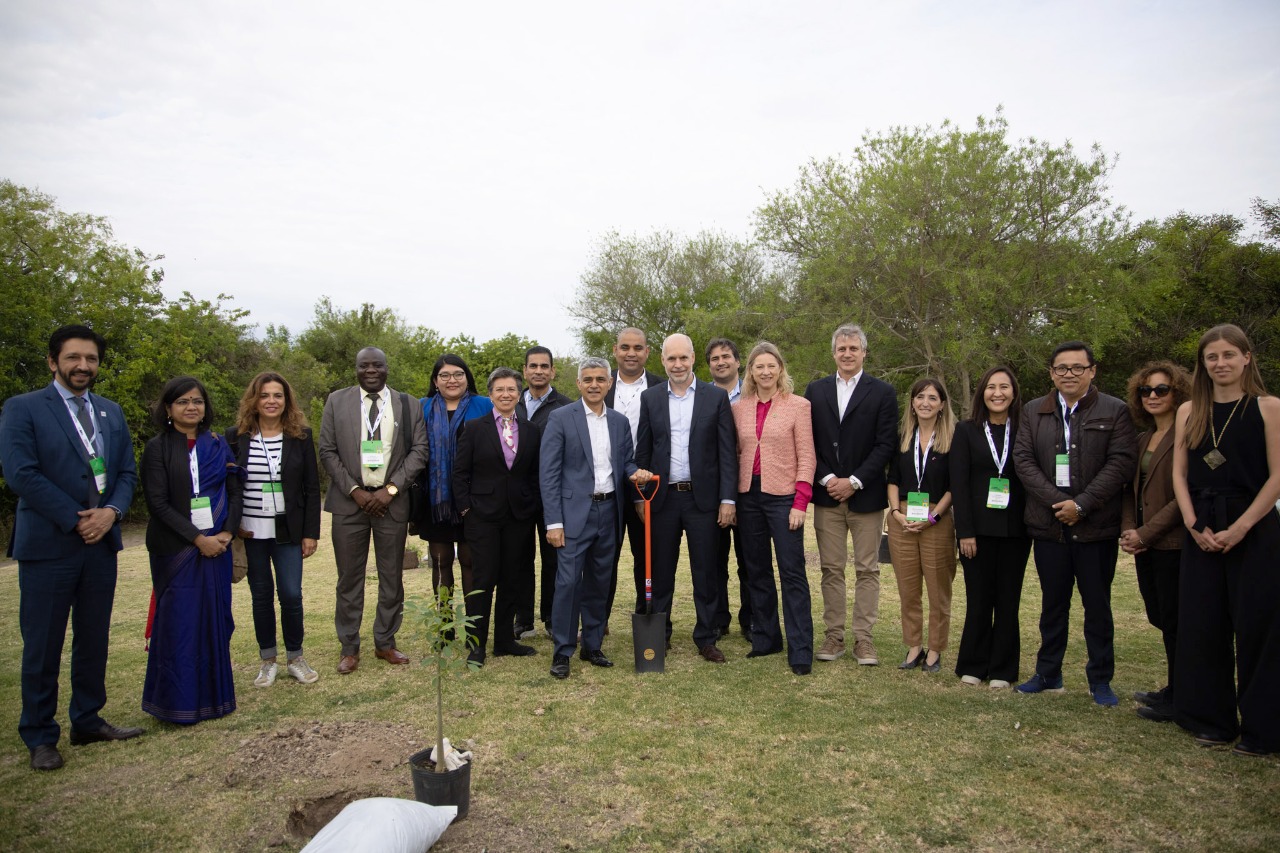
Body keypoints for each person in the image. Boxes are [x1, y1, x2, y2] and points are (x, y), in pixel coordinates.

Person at [0, 325, 142, 771]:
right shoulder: (23, 408)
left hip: (101, 544)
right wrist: (76, 518)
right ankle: (40, 735)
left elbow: (125, 474)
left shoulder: (110, 412)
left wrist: (111, 514)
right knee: (42, 644)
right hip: (49, 544)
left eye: (91, 359)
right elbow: (21, 473)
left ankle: (87, 719)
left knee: (93, 637)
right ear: (52, 361)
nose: (83, 366)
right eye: (73, 358)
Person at [1171, 324, 1280, 756]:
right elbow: (1179, 475)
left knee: (1259, 626)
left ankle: (1263, 727)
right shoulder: (1187, 412)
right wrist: (1195, 525)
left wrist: (1242, 526)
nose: (1220, 364)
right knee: (1204, 625)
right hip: (1201, 525)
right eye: (1212, 357)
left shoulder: (1269, 408)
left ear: (1246, 358)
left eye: (1228, 355)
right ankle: (1212, 720)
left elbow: (1277, 477)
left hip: (1253, 525)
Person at [1012, 341, 1136, 706]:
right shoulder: (1034, 411)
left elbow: (1121, 463)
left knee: (1097, 606)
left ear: (1092, 370)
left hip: (1095, 526)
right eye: (1061, 368)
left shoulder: (1115, 411)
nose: (1069, 374)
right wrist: (1058, 503)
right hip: (1049, 526)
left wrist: (1081, 505)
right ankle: (1048, 673)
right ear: (1051, 372)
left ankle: (1100, 680)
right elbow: (1023, 461)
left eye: (1077, 367)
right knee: (1053, 604)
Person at [319, 346, 428, 675]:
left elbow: (419, 451)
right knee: (349, 578)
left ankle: (385, 642)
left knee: (392, 577)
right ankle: (349, 647)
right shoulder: (336, 401)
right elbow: (327, 450)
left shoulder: (408, 405)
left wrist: (390, 490)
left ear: (386, 368)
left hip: (391, 504)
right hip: (349, 504)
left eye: (376, 365)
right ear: (355, 368)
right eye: (363, 365)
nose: (370, 370)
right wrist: (354, 490)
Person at [541, 357, 652, 680]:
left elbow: (626, 462)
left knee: (600, 583)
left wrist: (636, 473)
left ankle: (592, 645)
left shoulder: (619, 422)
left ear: (609, 383)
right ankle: (563, 650)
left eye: (600, 379)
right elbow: (548, 474)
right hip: (573, 514)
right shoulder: (561, 418)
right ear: (578, 383)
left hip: (609, 511)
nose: (593, 384)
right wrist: (553, 522)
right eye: (587, 379)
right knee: (567, 583)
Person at [140, 376, 240, 724]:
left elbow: (235, 490)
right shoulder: (157, 448)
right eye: (182, 401)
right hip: (176, 550)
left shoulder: (217, 444)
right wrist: (198, 539)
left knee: (214, 621)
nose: (191, 407)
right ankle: (175, 704)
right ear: (168, 408)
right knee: (179, 625)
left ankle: (215, 699)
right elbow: (158, 503)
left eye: (197, 401)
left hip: (219, 546)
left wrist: (227, 532)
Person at [634, 334, 737, 662]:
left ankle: (706, 636)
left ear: (693, 359)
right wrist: (641, 498)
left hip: (702, 500)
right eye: (671, 359)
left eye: (683, 358)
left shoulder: (715, 398)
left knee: (705, 571)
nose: (677, 364)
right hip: (663, 500)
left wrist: (727, 499)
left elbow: (726, 454)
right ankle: (659, 636)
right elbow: (644, 451)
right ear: (662, 361)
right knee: (661, 571)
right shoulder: (650, 398)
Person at [805, 324, 898, 666]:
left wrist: (854, 480)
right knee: (831, 568)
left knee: (867, 569)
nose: (847, 354)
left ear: (864, 353)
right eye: (841, 348)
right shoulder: (815, 390)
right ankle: (834, 636)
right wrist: (829, 478)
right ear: (833, 353)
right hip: (828, 495)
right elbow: (807, 441)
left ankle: (864, 639)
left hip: (866, 497)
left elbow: (885, 444)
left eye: (853, 348)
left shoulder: (883, 393)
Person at [227, 372, 323, 687]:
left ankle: (295, 656)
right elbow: (227, 487)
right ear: (254, 400)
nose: (271, 401)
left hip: (288, 531)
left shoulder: (301, 436)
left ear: (286, 401)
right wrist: (232, 526)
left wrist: (311, 533)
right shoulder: (235, 436)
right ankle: (267, 660)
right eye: (265, 395)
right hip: (251, 531)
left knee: (292, 595)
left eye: (277, 395)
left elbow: (311, 487)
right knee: (261, 596)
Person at [732, 342, 817, 675]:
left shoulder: (799, 406)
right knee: (756, 570)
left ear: (781, 368)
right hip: (748, 496)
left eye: (771, 366)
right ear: (750, 372)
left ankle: (800, 648)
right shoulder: (739, 408)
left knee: (792, 572)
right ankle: (766, 637)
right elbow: (735, 452)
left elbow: (807, 457)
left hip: (784, 497)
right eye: (758, 367)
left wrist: (800, 502)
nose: (765, 372)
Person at [1118, 361, 1192, 722]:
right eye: (1146, 390)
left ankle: (1183, 697)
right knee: (1161, 616)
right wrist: (1131, 529)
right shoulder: (1142, 439)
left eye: (1161, 390)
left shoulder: (1190, 435)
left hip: (1175, 544)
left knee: (1178, 621)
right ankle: (1174, 688)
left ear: (1178, 392)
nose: (1152, 396)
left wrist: (1146, 533)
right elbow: (1130, 492)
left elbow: (1185, 497)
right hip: (1147, 545)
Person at [453, 368, 540, 665]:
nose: (506, 394)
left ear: (519, 394)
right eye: (500, 389)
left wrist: (532, 507)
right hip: (482, 518)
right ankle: (476, 644)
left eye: (512, 389)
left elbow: (533, 474)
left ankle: (504, 640)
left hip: (519, 517)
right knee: (483, 579)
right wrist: (466, 509)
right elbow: (460, 473)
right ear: (490, 395)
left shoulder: (530, 430)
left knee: (512, 578)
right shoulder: (474, 428)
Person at [951, 367, 1031, 689]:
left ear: (1014, 392)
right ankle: (973, 663)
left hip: (1016, 530)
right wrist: (965, 532)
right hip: (977, 532)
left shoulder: (1026, 429)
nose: (997, 393)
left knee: (1008, 600)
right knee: (979, 599)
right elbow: (959, 482)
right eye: (991, 387)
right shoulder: (966, 430)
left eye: (1004, 387)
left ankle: (1003, 669)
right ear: (981, 392)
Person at [886, 378, 957, 673]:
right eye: (919, 397)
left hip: (936, 519)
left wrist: (933, 518)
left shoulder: (953, 438)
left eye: (932, 398)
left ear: (942, 404)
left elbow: (954, 486)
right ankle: (913, 646)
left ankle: (935, 649)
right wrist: (895, 512)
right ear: (912, 402)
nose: (925, 402)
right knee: (908, 588)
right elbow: (892, 479)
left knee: (938, 588)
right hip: (901, 517)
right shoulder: (902, 435)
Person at [417, 354, 494, 597]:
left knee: (471, 560)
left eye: (458, 374)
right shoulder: (422, 407)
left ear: (467, 377)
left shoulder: (484, 405)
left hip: (473, 498)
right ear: (435, 380)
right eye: (445, 375)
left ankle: (473, 627)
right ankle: (445, 628)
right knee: (441, 561)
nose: (452, 380)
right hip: (435, 499)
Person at [604, 327, 662, 624]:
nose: (631, 353)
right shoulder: (601, 385)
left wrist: (647, 483)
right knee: (604, 558)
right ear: (615, 350)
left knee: (646, 557)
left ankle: (647, 618)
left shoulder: (661, 387)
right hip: (608, 486)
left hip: (646, 486)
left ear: (647, 352)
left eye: (637, 348)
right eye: (625, 347)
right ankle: (597, 624)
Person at [514, 345, 572, 640]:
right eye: (532, 366)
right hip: (518, 496)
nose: (538, 371)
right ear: (524, 370)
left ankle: (551, 617)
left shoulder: (566, 406)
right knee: (521, 558)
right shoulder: (511, 402)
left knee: (553, 559)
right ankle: (522, 619)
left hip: (554, 495)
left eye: (544, 366)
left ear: (552, 371)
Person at [706, 336, 752, 639]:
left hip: (749, 487)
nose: (721, 362)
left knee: (749, 559)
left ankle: (751, 620)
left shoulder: (754, 394)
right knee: (714, 558)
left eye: (726, 356)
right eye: (715, 358)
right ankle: (718, 618)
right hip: (713, 489)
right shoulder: (702, 397)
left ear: (738, 361)